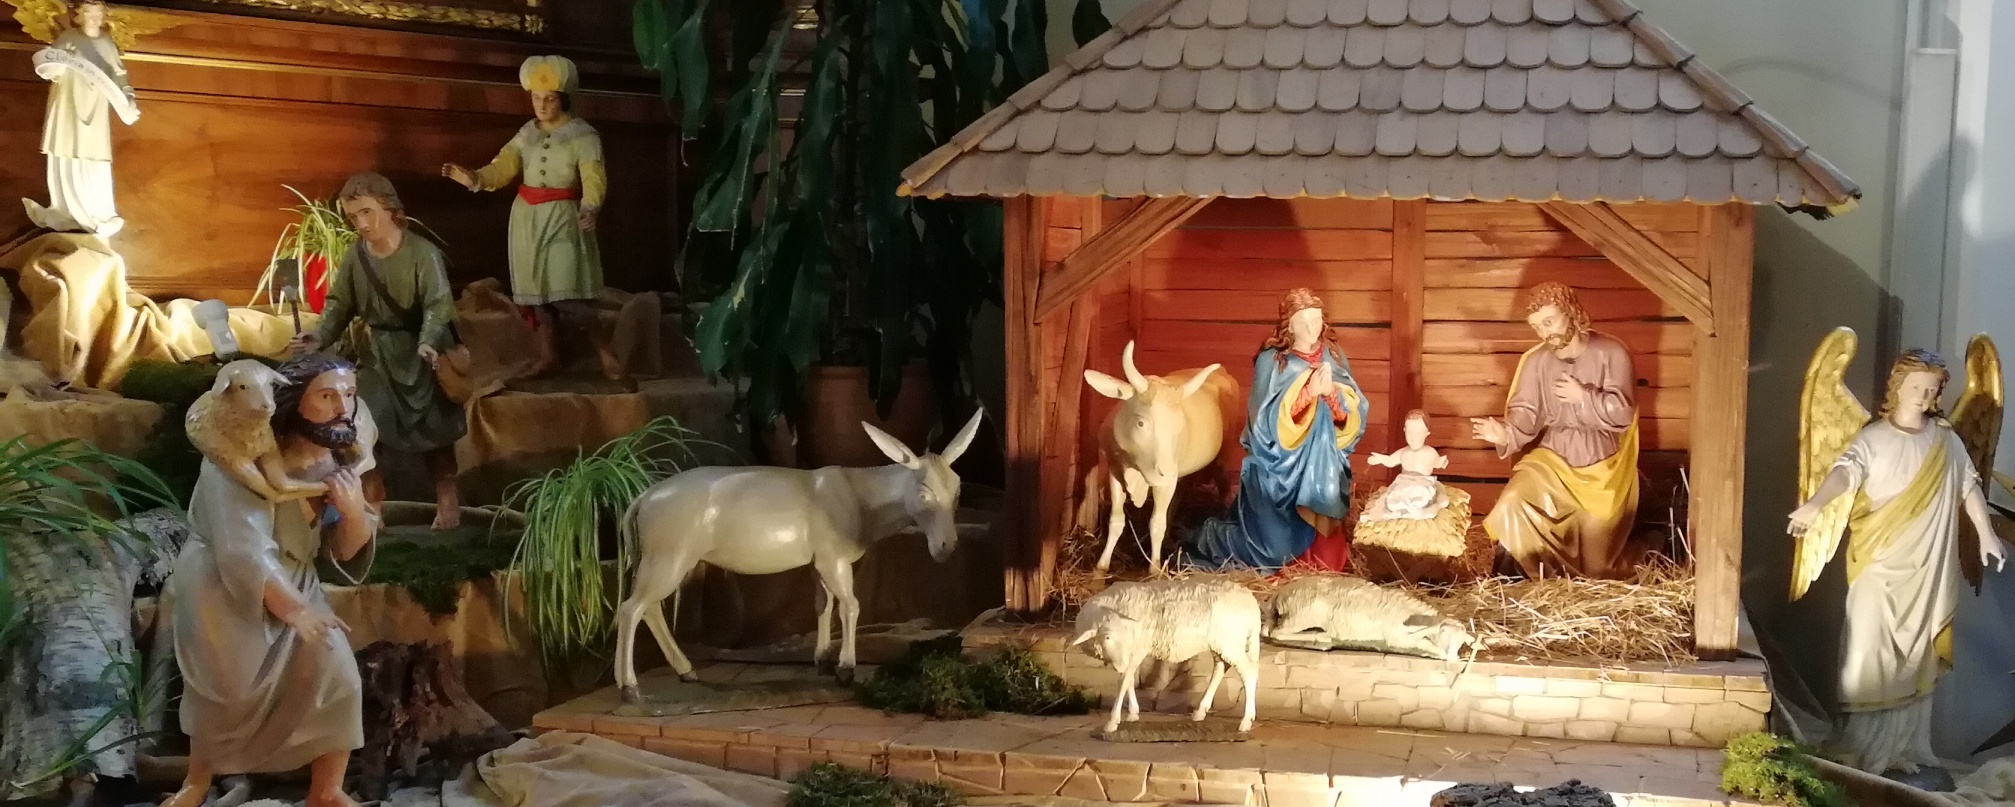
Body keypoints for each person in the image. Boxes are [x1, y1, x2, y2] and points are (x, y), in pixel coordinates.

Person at [162, 353, 380, 807]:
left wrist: (354, 513)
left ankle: (327, 790)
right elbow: (241, 548)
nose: (342, 407)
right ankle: (196, 782)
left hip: (296, 579)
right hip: (225, 589)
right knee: (226, 693)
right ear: (293, 402)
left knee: (339, 676)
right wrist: (295, 611)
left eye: (349, 394)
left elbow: (345, 550)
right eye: (327, 396)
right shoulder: (240, 462)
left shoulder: (343, 462)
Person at [1789, 349, 2006, 778]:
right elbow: (1844, 473)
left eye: (1931, 389)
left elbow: (1968, 487)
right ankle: (1859, 746)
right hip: (1878, 560)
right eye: (1916, 386)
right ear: (1897, 387)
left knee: (1915, 653)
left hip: (1926, 565)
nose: (1923, 395)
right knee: (1865, 650)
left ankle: (1905, 747)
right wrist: (1815, 504)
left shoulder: (1946, 441)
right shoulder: (1873, 438)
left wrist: (1985, 534)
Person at [288, 173, 465, 530]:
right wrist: (319, 336)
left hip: (423, 353)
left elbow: (438, 303)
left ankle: (448, 501)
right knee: (366, 424)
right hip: (379, 356)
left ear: (389, 208)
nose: (362, 223)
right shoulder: (356, 257)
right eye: (354, 217)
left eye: (367, 212)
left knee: (437, 427)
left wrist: (429, 340)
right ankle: (373, 502)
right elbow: (340, 303)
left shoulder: (423, 254)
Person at [441, 54, 622, 381]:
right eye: (536, 98)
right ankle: (548, 356)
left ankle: (606, 354)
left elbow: (594, 177)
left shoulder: (583, 135)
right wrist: (475, 178)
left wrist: (590, 207)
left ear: (562, 98)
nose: (541, 105)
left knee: (568, 296)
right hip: (527, 219)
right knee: (538, 296)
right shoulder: (527, 133)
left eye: (548, 98)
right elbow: (503, 167)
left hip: (562, 218)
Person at [1186, 288, 1369, 572]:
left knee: (1327, 560)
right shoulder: (1272, 361)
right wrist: (1308, 393)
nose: (1311, 329)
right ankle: (1209, 538)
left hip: (1321, 468)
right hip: (1277, 471)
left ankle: (1310, 560)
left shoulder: (1333, 355)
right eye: (1302, 323)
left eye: (1316, 320)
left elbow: (1355, 411)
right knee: (1271, 551)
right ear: (1289, 327)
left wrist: (1331, 394)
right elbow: (1263, 423)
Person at [1469, 282, 1640, 579]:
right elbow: (1526, 414)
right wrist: (1505, 433)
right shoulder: (1536, 361)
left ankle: (1646, 550)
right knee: (1512, 502)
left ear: (1570, 312)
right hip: (1552, 459)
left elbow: (1624, 413)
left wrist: (1584, 397)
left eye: (1549, 322)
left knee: (1597, 568)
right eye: (1537, 327)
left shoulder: (1611, 352)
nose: (1544, 333)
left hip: (1601, 466)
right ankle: (1528, 583)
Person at [22, 0, 139, 237]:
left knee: (95, 156)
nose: (94, 19)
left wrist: (129, 97)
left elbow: (119, 73)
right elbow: (50, 69)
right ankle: (65, 211)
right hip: (69, 105)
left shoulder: (106, 43)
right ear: (81, 15)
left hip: (96, 109)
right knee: (66, 150)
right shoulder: (68, 38)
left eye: (98, 14)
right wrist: (64, 61)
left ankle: (98, 213)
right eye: (89, 14)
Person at [1362, 410, 1451, 523]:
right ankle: (1399, 510)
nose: (1413, 437)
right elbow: (1391, 461)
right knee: (1395, 497)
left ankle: (1417, 509)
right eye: (1409, 432)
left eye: (1418, 433)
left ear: (1427, 433)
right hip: (1403, 482)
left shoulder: (1429, 452)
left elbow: (1436, 462)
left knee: (1420, 496)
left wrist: (1440, 462)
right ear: (1404, 430)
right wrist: (1379, 459)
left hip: (1422, 482)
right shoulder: (1403, 452)